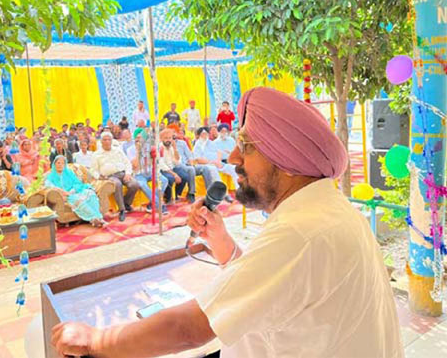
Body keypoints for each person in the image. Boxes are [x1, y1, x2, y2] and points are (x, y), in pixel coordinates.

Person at [51, 87, 403, 358]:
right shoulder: (325, 209)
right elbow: (279, 290)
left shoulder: (300, 232)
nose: (233, 158)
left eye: (246, 146)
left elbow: (190, 328)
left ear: (287, 160)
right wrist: (221, 242)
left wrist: (96, 339)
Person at [91, 132, 140, 221]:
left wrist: (128, 173)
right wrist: (98, 176)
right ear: (101, 141)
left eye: (109, 139)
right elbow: (92, 170)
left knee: (134, 184)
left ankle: (126, 203)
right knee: (117, 184)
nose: (107, 141)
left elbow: (127, 163)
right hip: (109, 176)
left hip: (122, 173)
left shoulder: (118, 150)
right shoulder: (96, 154)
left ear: (112, 140)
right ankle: (122, 210)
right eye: (105, 140)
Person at [45, 156, 105, 227]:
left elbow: (77, 183)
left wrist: (72, 191)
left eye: (63, 163)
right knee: (77, 200)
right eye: (58, 163)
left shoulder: (69, 173)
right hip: (66, 195)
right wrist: (61, 191)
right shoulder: (51, 176)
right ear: (54, 164)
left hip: (74, 191)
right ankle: (95, 218)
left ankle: (98, 217)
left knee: (90, 193)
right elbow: (49, 186)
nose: (60, 165)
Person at [126, 128, 168, 214]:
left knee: (164, 180)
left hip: (150, 172)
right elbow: (135, 166)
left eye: (141, 138)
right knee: (142, 185)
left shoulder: (149, 148)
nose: (139, 140)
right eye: (137, 138)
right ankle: (159, 205)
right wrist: (138, 151)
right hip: (138, 174)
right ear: (134, 138)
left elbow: (153, 162)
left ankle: (152, 204)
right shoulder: (130, 150)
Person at [194, 127, 238, 195]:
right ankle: (223, 194)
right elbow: (198, 159)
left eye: (206, 134)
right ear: (199, 135)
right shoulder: (197, 145)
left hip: (217, 163)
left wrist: (218, 161)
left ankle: (238, 190)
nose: (205, 136)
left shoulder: (211, 143)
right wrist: (210, 162)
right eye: (203, 134)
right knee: (213, 169)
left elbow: (219, 152)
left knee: (233, 168)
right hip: (207, 165)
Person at [158, 129, 191, 203]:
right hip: (163, 170)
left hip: (172, 167)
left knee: (185, 176)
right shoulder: (160, 148)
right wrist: (175, 174)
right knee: (170, 178)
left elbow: (177, 161)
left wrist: (175, 149)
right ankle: (167, 198)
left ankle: (176, 194)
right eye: (166, 138)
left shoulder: (171, 147)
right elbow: (162, 165)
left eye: (170, 138)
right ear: (161, 139)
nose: (168, 140)